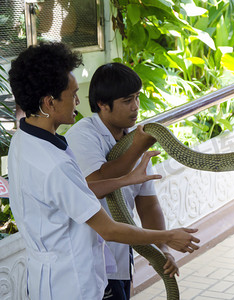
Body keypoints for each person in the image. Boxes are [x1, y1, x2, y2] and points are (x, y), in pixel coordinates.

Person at [7, 42, 200, 300]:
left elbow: (73, 193)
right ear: (49, 103)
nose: (78, 101)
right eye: (72, 94)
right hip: (71, 285)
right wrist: (168, 236)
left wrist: (125, 180)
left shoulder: (24, 140)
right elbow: (108, 229)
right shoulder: (55, 163)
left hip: (50, 276)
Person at [65, 62, 177, 300]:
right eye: (127, 101)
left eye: (137, 97)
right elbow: (97, 183)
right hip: (89, 261)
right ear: (102, 105)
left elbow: (148, 205)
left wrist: (163, 249)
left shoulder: (134, 136)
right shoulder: (83, 134)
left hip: (121, 258)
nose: (136, 107)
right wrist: (137, 147)